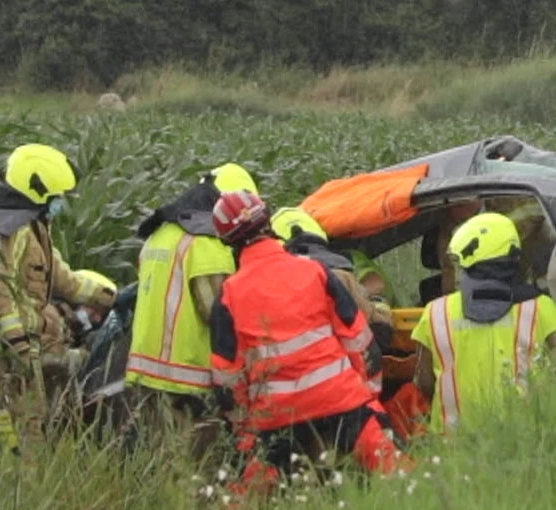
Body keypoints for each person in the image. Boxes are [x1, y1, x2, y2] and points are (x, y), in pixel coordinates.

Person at [208, 191, 402, 485]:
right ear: (267, 223)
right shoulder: (314, 271)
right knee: (397, 473)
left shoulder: (229, 295)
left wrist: (246, 433)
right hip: (339, 398)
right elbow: (359, 340)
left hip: (275, 415)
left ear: (227, 242)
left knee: (252, 500)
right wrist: (367, 397)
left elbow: (227, 378)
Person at [0, 143, 117, 449]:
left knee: (29, 417)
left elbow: (66, 281)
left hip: (24, 341)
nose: (58, 203)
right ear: (37, 191)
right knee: (18, 421)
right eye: (55, 197)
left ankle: (13, 464)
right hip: (1, 348)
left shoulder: (34, 228)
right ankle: (19, 472)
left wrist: (112, 297)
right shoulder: (1, 232)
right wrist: (18, 343)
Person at [124, 163, 258, 454]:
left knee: (155, 456)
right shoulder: (207, 243)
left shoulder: (159, 233)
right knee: (192, 464)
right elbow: (218, 313)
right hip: (186, 375)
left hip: (145, 366)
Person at [411, 212, 556, 430]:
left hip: (452, 452)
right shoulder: (541, 308)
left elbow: (424, 383)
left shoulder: (434, 312)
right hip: (526, 442)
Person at [274, 205, 393, 394]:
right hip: (345, 389)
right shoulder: (340, 274)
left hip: (287, 396)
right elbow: (380, 331)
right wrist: (379, 304)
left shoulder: (270, 287)